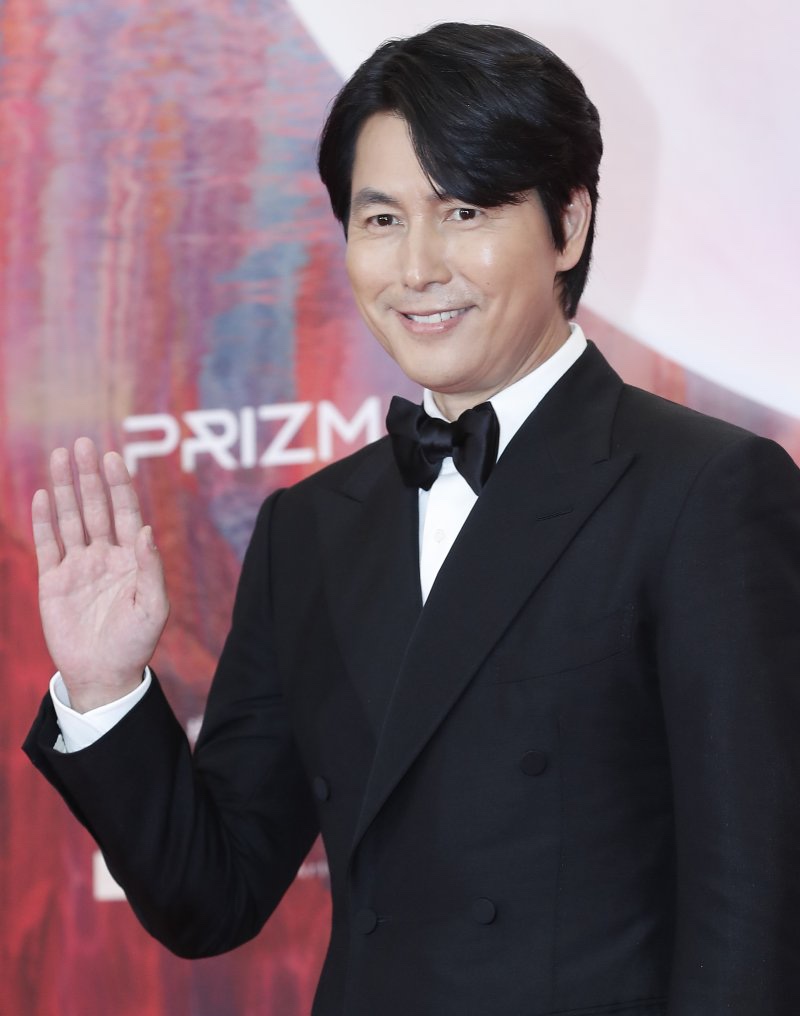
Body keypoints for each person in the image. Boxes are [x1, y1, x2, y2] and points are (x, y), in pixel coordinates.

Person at [24, 22, 800, 1016]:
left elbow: (756, 908)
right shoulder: (309, 529)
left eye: (464, 210)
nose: (418, 266)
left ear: (567, 224)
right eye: (381, 218)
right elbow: (209, 896)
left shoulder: (705, 491)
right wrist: (105, 688)